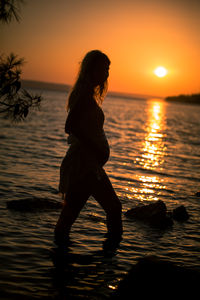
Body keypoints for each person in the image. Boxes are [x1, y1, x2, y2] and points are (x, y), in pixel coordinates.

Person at [54, 50, 123, 249]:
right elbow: (71, 126)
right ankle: (108, 264)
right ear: (91, 69)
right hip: (84, 166)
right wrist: (96, 148)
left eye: (108, 69)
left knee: (67, 220)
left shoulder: (87, 95)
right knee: (113, 208)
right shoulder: (84, 96)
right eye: (104, 69)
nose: (107, 74)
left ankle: (61, 265)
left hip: (86, 165)